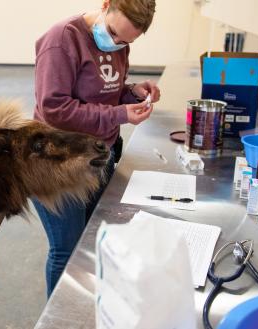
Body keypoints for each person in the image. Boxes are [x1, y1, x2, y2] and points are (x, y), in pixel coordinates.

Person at [33, 0, 159, 298]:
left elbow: (105, 91)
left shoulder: (120, 43)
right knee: (67, 248)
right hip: (57, 162)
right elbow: (54, 108)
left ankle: (84, 307)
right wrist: (120, 114)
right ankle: (59, 319)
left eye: (126, 42)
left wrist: (131, 92)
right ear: (106, 5)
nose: (116, 44)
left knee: (90, 241)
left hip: (98, 156)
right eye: (114, 34)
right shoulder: (62, 40)